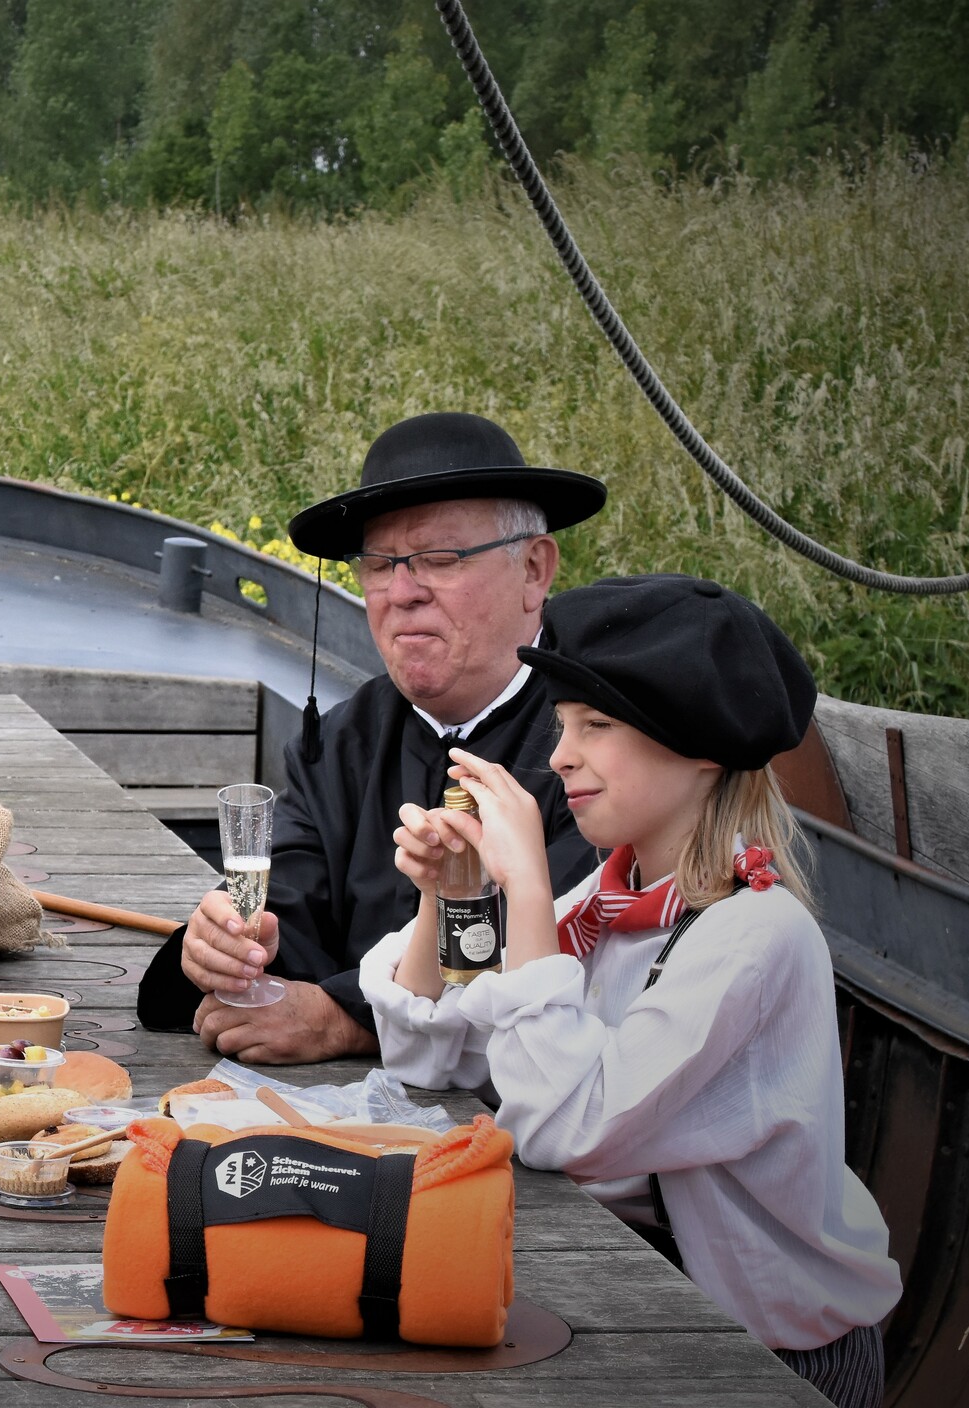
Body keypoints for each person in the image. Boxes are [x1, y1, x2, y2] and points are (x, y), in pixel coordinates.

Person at [363, 574, 901, 1408]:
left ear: (699, 747)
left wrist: (529, 894)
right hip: (658, 1302)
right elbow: (431, 1055)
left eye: (596, 726)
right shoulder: (611, 903)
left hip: (773, 1354)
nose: (559, 756)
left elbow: (568, 1130)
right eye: (563, 725)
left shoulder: (752, 935)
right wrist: (454, 895)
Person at [138, 411, 602, 1062]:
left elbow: (563, 947)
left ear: (534, 570)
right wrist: (225, 943)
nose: (401, 593)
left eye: (439, 559)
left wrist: (345, 1020)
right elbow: (288, 894)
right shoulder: (347, 736)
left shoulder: (601, 743)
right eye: (380, 565)